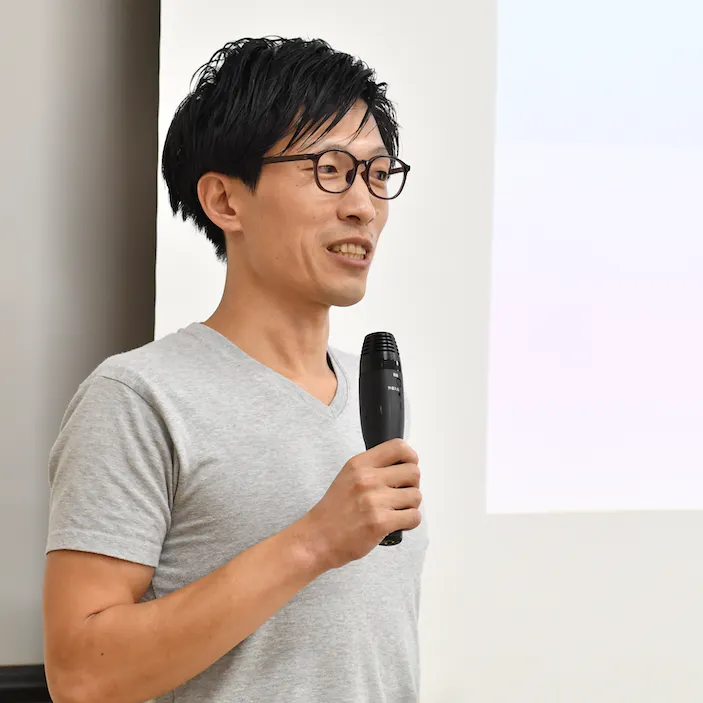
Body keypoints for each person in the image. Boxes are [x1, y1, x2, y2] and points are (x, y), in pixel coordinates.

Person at [42, 36, 429, 703]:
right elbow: (82, 675)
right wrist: (311, 543)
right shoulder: (138, 398)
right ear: (225, 200)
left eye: (376, 173)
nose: (363, 206)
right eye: (330, 169)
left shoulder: (373, 396)